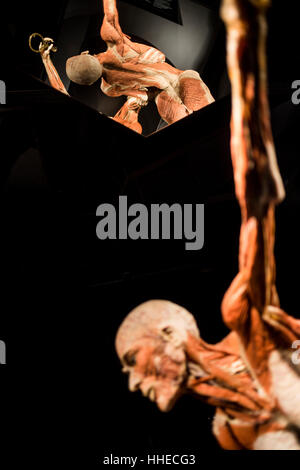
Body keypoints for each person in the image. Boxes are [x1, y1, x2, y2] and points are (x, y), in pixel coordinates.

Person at [31, 0, 214, 134]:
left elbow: (64, 96)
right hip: (168, 87)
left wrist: (46, 59)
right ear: (86, 53)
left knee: (204, 129)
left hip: (170, 88)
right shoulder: (115, 46)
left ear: (89, 83)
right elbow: (110, 10)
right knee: (201, 131)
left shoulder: (110, 88)